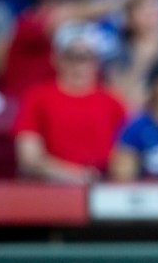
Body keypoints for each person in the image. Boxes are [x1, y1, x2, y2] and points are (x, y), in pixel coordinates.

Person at [12, 21, 126, 183]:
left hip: (103, 186)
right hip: (51, 189)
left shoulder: (112, 100)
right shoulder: (37, 97)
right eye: (72, 57)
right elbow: (29, 156)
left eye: (86, 57)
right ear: (56, 58)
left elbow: (126, 154)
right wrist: (73, 176)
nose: (79, 65)